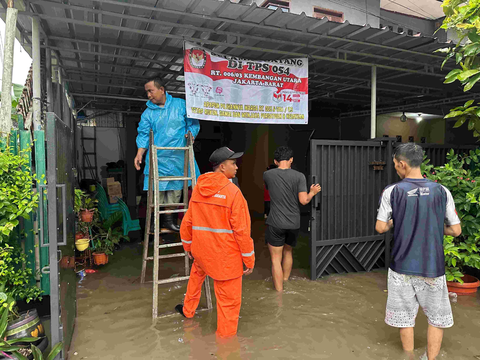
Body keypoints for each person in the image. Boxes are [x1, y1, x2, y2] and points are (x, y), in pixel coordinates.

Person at [375, 143, 461, 360]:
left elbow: (380, 227)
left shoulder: (392, 192)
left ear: (402, 164)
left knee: (404, 318)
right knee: (436, 319)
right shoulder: (442, 191)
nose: (395, 169)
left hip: (401, 268)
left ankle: (409, 357)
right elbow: (456, 230)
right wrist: (433, 224)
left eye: (395, 165)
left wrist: (396, 221)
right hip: (432, 267)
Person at [175, 146, 255, 338]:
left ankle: (188, 311)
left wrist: (188, 246)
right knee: (229, 303)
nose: (236, 167)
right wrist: (249, 259)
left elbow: (187, 222)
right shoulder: (233, 193)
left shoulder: (199, 188)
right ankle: (226, 345)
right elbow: (242, 232)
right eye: (233, 163)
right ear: (221, 167)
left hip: (202, 251)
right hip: (225, 259)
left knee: (196, 277)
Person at [134, 78, 200, 232]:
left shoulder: (180, 105)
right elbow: (143, 134)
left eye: (151, 91)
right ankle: (155, 223)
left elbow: (193, 124)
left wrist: (191, 134)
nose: (149, 95)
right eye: (147, 92)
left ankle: (169, 221)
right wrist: (139, 154)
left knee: (175, 190)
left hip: (178, 157)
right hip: (158, 158)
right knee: (157, 192)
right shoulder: (148, 113)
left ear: (162, 89)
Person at [263, 146, 321, 291]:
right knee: (288, 252)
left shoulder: (267, 175)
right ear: (291, 160)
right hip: (293, 223)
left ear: (276, 161)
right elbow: (303, 201)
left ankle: (279, 292)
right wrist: (312, 192)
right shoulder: (299, 176)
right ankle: (286, 280)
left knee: (275, 259)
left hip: (275, 222)